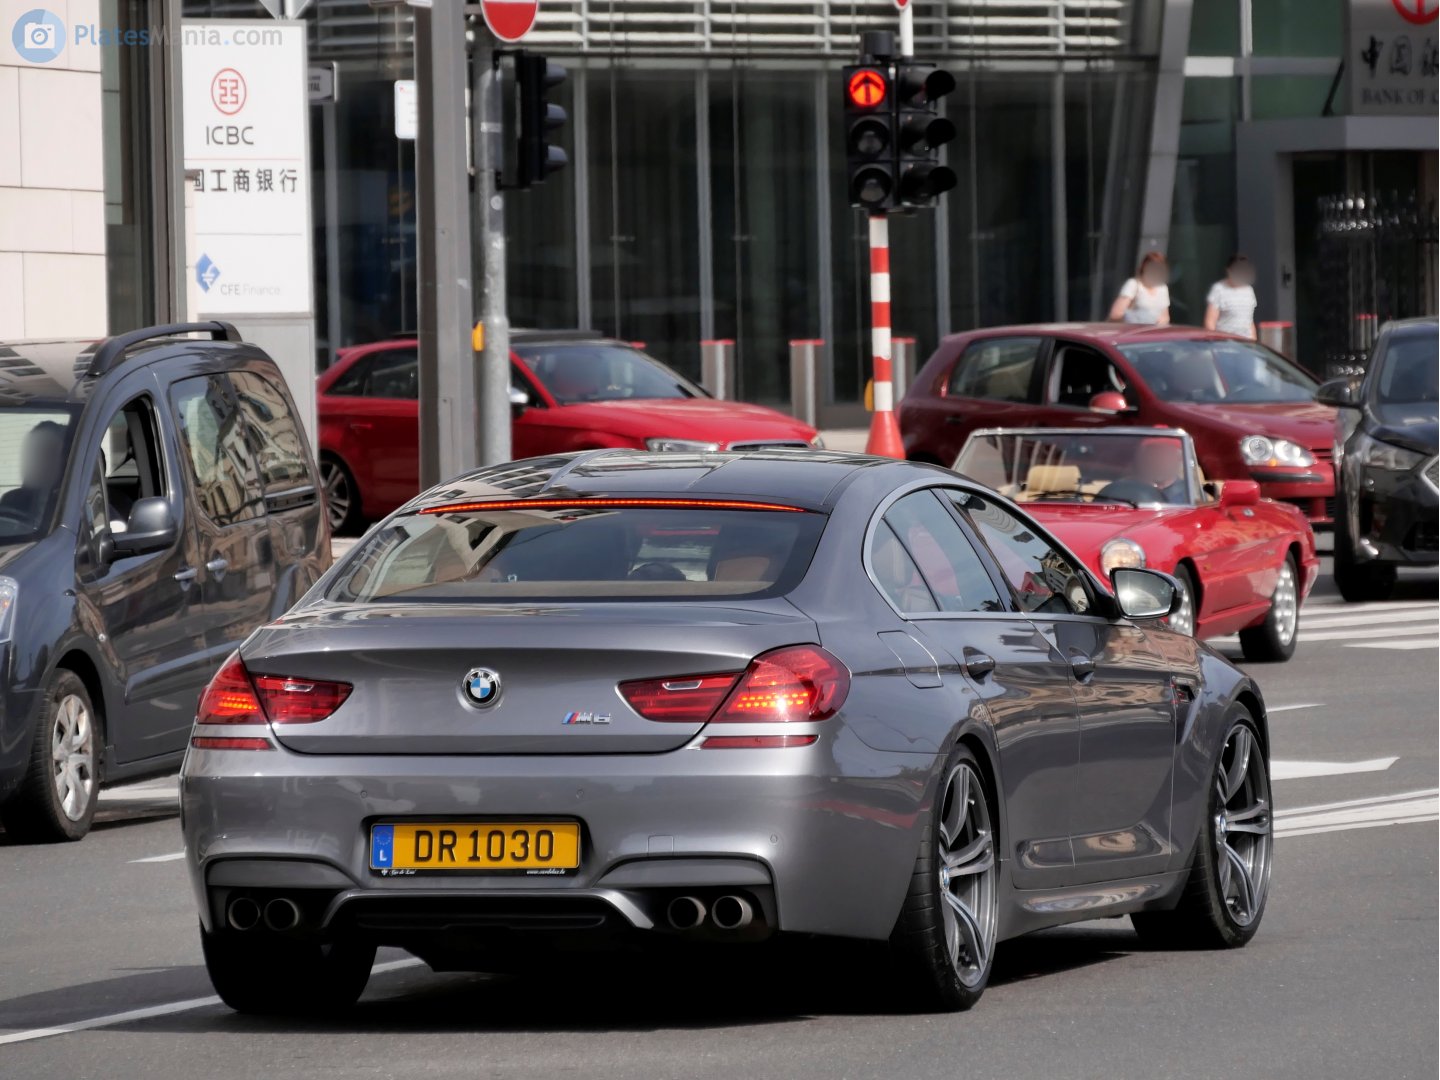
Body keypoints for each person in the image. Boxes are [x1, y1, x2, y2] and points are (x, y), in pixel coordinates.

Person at [0, 420, 67, 527]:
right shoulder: (11, 500)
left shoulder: (71, 504)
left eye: (48, 453)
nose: (40, 460)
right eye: (35, 452)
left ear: (64, 459)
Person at [1108, 252, 1171, 325]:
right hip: (1133, 330)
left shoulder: (1163, 288)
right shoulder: (1133, 284)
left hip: (1154, 331)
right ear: (1144, 267)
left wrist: (1161, 322)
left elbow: (1165, 316)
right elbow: (1116, 314)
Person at [1204, 254, 1258, 340]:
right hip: (1225, 342)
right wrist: (1214, 342)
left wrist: (1254, 341)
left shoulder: (1249, 290)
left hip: (1246, 342)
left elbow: (1250, 321)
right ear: (1228, 270)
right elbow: (1210, 322)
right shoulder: (1219, 289)